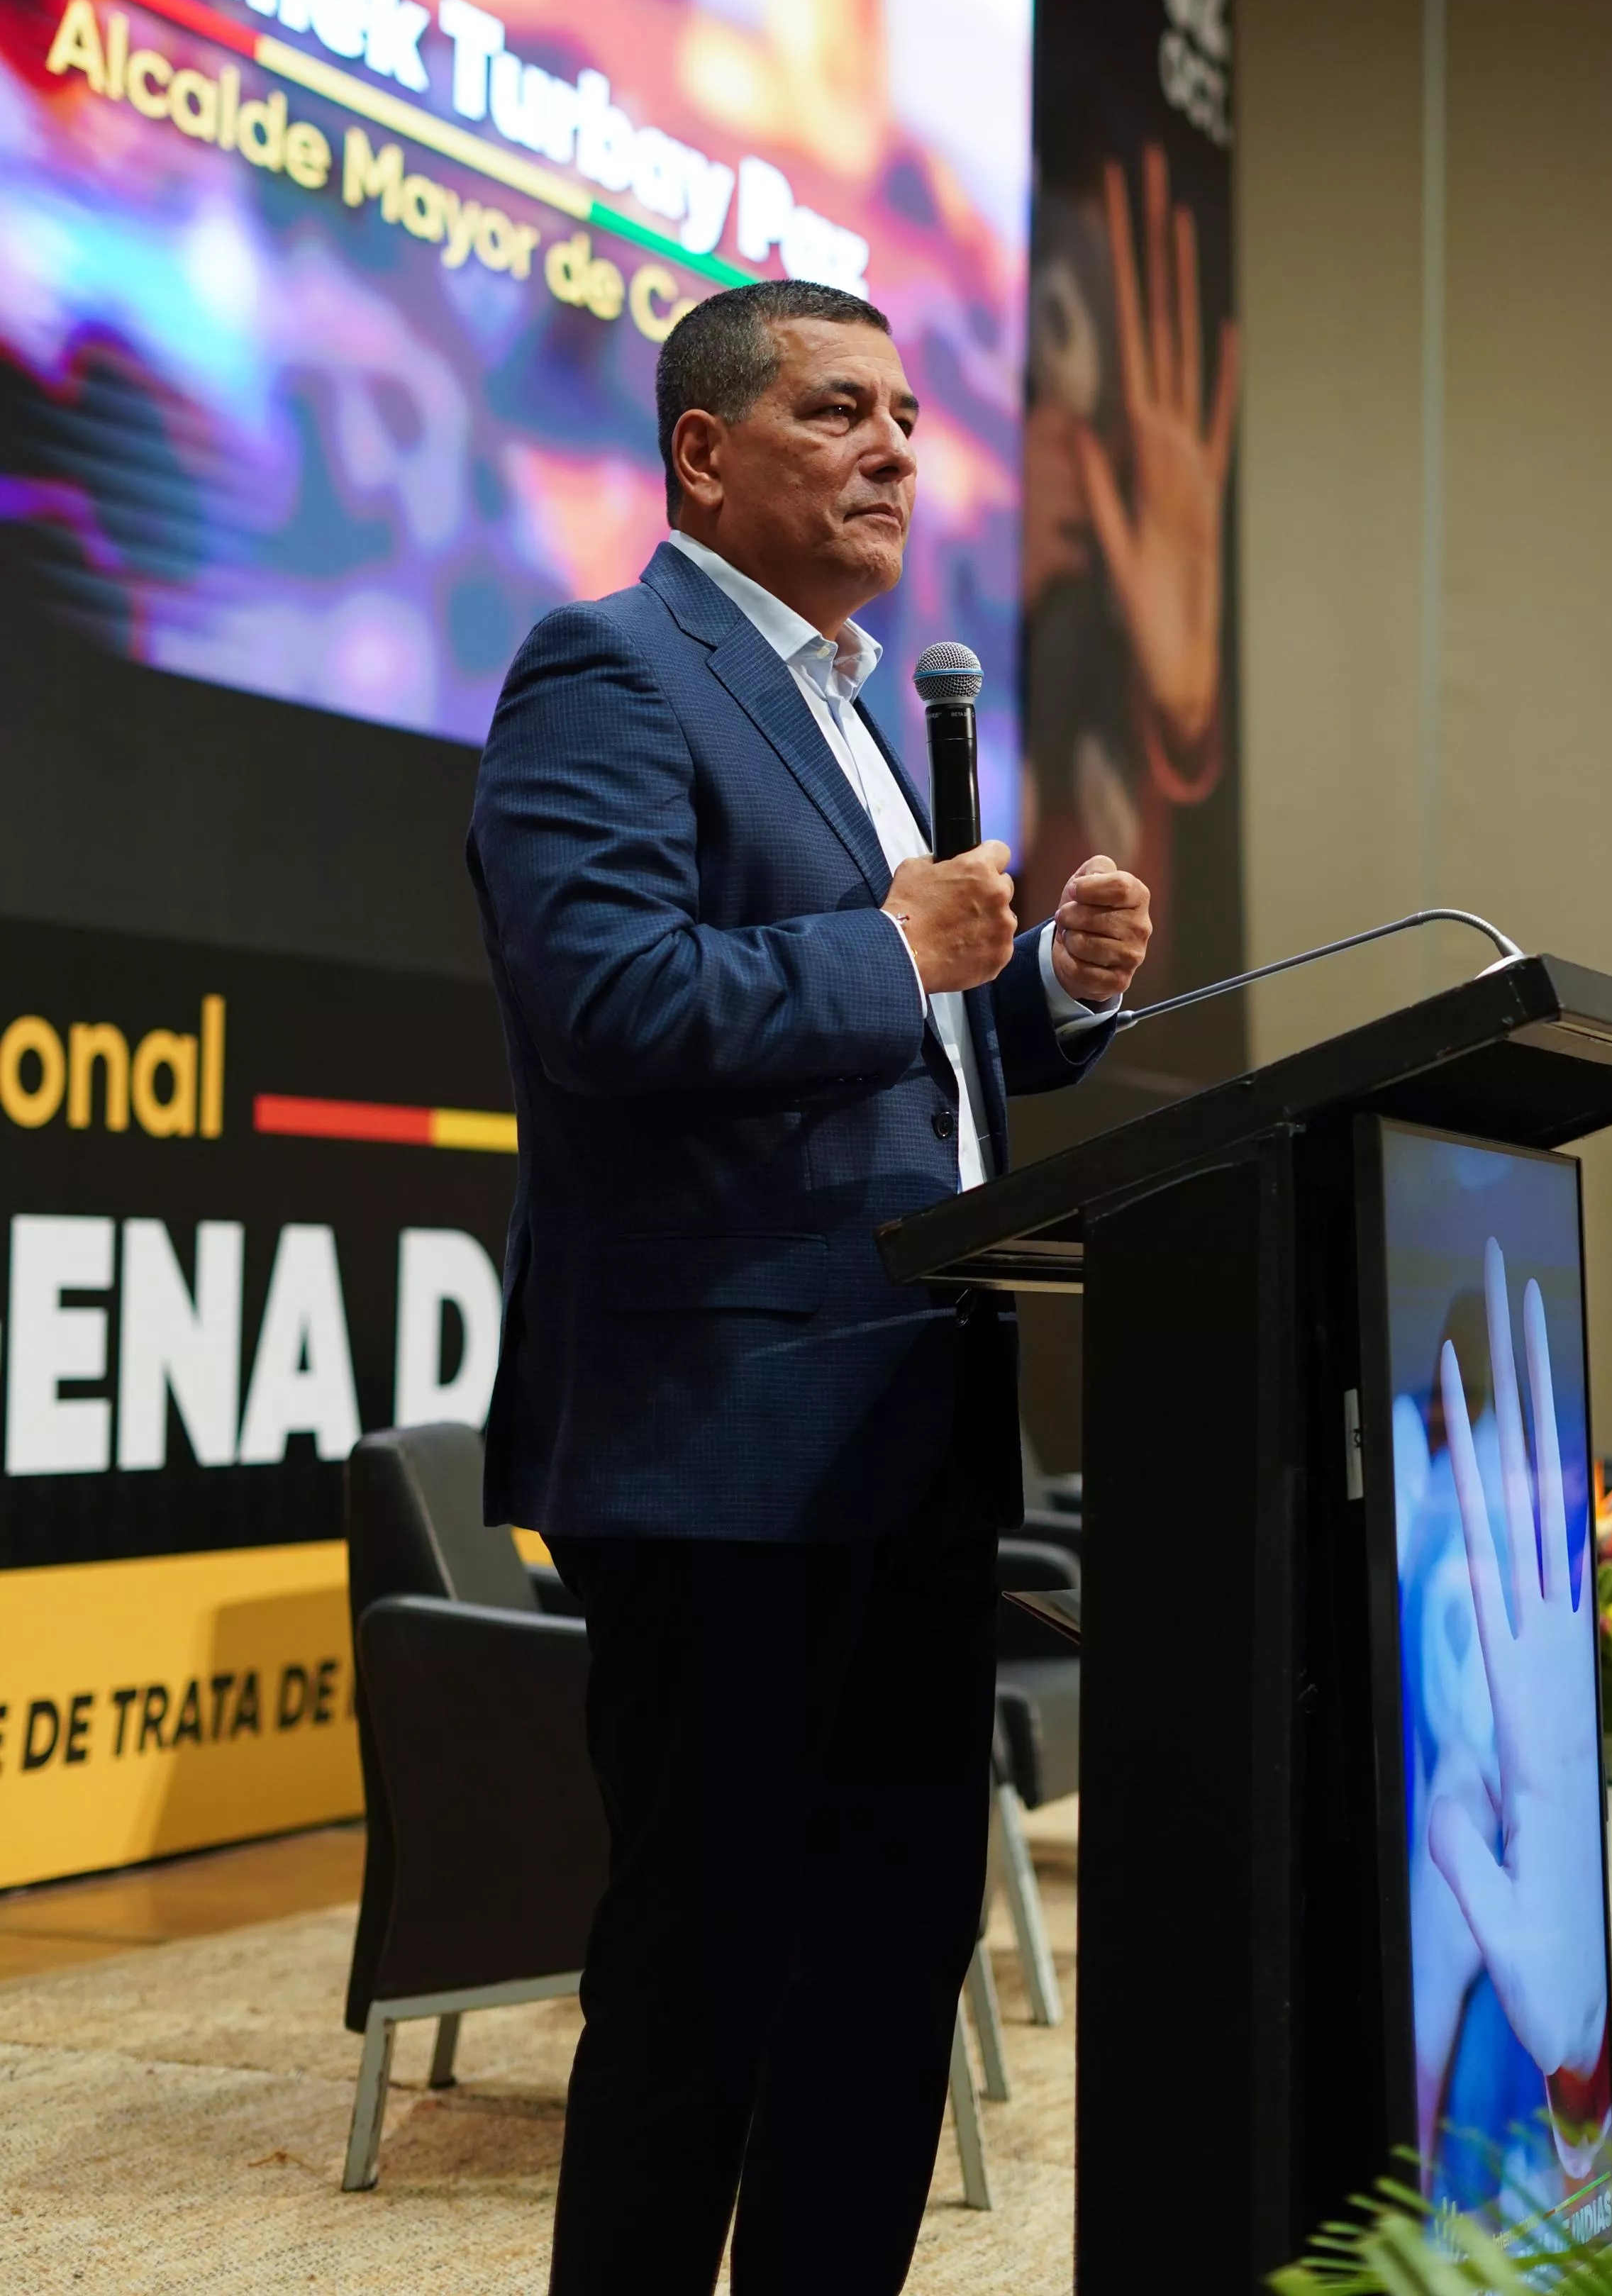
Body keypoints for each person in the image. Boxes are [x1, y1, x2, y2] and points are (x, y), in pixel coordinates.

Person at [467, 277, 1152, 2295]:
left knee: (887, 1967)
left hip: (916, 1431)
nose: (894, 453)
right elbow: (608, 1002)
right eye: (838, 412)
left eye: (908, 418)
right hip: (723, 1445)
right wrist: (896, 947)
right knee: (702, 1984)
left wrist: (1039, 997)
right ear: (703, 453)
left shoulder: (854, 709)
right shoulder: (611, 670)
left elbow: (898, 1044)